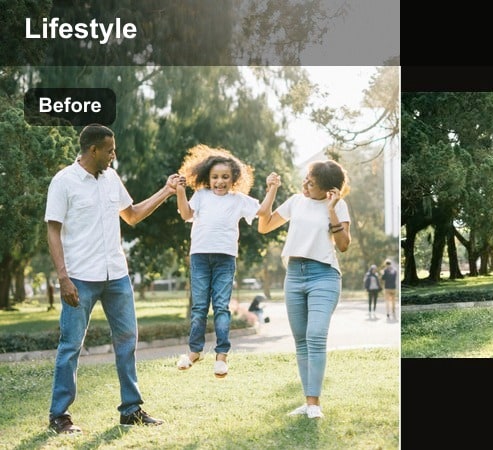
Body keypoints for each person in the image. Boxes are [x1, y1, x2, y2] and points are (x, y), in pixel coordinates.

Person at [44, 124, 174, 434]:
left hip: (116, 274)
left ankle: (131, 410)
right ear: (93, 150)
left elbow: (132, 214)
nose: (114, 155)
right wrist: (63, 278)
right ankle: (59, 415)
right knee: (71, 345)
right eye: (110, 150)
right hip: (80, 277)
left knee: (127, 340)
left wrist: (166, 191)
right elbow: (53, 229)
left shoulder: (111, 178)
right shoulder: (64, 181)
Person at [257, 160, 351, 419]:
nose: (306, 185)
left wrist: (331, 210)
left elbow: (343, 245)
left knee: (316, 335)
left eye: (312, 183)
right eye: (307, 179)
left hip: (324, 275)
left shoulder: (338, 205)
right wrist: (272, 190)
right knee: (301, 341)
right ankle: (309, 403)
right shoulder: (296, 201)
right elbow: (263, 227)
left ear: (329, 190)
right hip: (294, 276)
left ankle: (314, 405)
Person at [174, 144, 276, 378]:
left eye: (225, 177)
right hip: (200, 256)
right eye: (215, 177)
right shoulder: (201, 195)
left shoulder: (238, 200)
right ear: (207, 178)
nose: (220, 182)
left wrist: (272, 188)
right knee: (199, 307)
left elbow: (262, 211)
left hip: (225, 259)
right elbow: (186, 214)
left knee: (221, 307)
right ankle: (194, 352)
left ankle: (221, 357)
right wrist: (180, 191)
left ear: (234, 179)